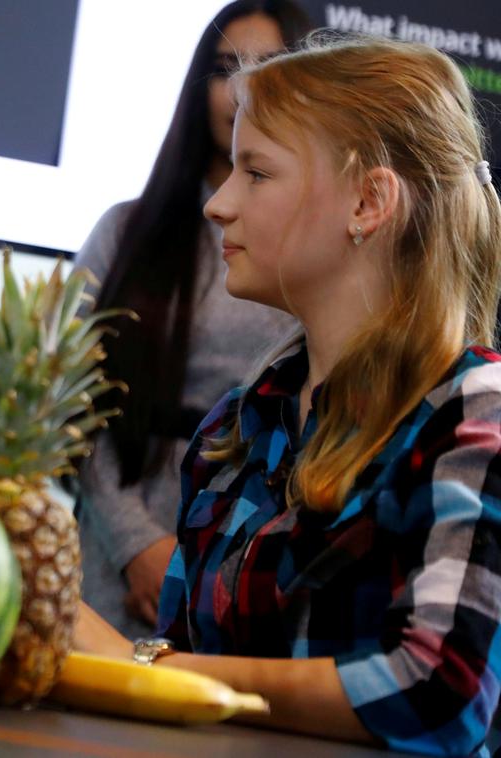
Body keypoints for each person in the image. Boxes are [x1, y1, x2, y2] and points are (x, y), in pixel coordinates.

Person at [74, 35, 501, 755]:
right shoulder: (239, 425)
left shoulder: (473, 414)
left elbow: (438, 688)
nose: (219, 204)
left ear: (368, 200)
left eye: (257, 172)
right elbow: (184, 673)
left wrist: (149, 667)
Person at [75, 0, 309, 637]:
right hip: (117, 544)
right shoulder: (127, 231)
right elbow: (72, 402)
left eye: (270, 66)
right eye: (226, 67)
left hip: (261, 551)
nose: (244, 88)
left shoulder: (316, 249)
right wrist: (136, 548)